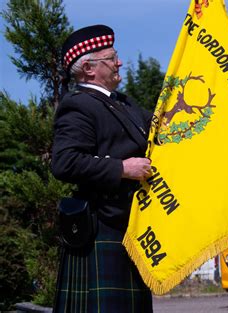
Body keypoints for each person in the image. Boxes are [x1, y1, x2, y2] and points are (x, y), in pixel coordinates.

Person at [51, 24, 153, 312]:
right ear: (89, 68)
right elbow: (64, 162)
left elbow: (159, 127)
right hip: (102, 226)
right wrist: (121, 168)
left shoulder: (121, 103)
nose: (119, 62)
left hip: (129, 226)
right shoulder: (79, 105)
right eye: (111, 58)